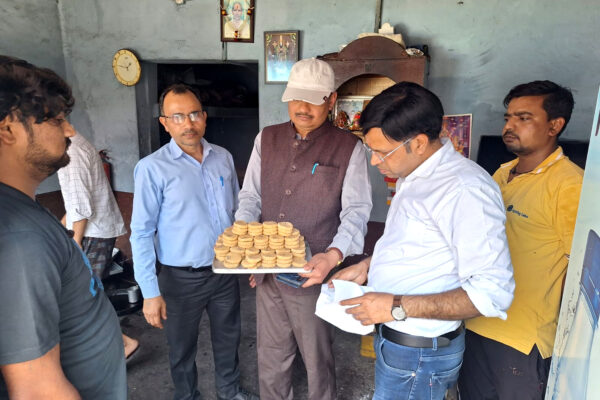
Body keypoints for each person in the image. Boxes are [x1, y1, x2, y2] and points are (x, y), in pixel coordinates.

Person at [330, 81, 515, 400]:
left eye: (381, 152)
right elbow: (419, 243)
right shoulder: (414, 175)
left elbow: (492, 293)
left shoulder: (465, 191)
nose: (374, 161)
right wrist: (368, 266)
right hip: (400, 341)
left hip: (420, 355)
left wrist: (396, 306)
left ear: (417, 143)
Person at [235, 57, 372, 400]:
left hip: (315, 275)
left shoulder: (349, 147)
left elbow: (356, 211)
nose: (302, 108)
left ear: (331, 99)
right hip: (269, 274)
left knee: (316, 360)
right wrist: (248, 247)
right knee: (271, 356)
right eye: (296, 98)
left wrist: (334, 255)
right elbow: (250, 197)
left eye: (313, 99)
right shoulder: (267, 138)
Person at [0, 56, 127, 399]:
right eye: (57, 120)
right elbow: (36, 388)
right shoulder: (20, 238)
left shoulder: (23, 209)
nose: (70, 130)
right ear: (8, 130)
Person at [130, 83, 256, 400]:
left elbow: (237, 211)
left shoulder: (223, 158)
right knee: (182, 348)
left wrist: (248, 259)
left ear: (204, 116)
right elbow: (141, 232)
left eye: (194, 114)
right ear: (165, 123)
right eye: (177, 116)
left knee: (229, 337)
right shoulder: (152, 168)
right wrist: (150, 292)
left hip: (224, 272)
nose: (188, 123)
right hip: (180, 279)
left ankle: (229, 391)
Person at [459, 80, 584, 399]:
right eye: (508, 117)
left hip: (523, 341)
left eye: (524, 118)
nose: (509, 126)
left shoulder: (569, 185)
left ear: (554, 125)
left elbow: (579, 272)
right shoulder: (500, 174)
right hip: (476, 320)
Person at [57, 131, 139, 360]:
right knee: (86, 295)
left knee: (84, 297)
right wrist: (58, 229)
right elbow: (75, 206)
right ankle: (116, 343)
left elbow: (81, 209)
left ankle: (122, 343)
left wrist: (74, 246)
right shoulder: (74, 145)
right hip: (91, 231)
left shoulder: (72, 151)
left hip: (92, 234)